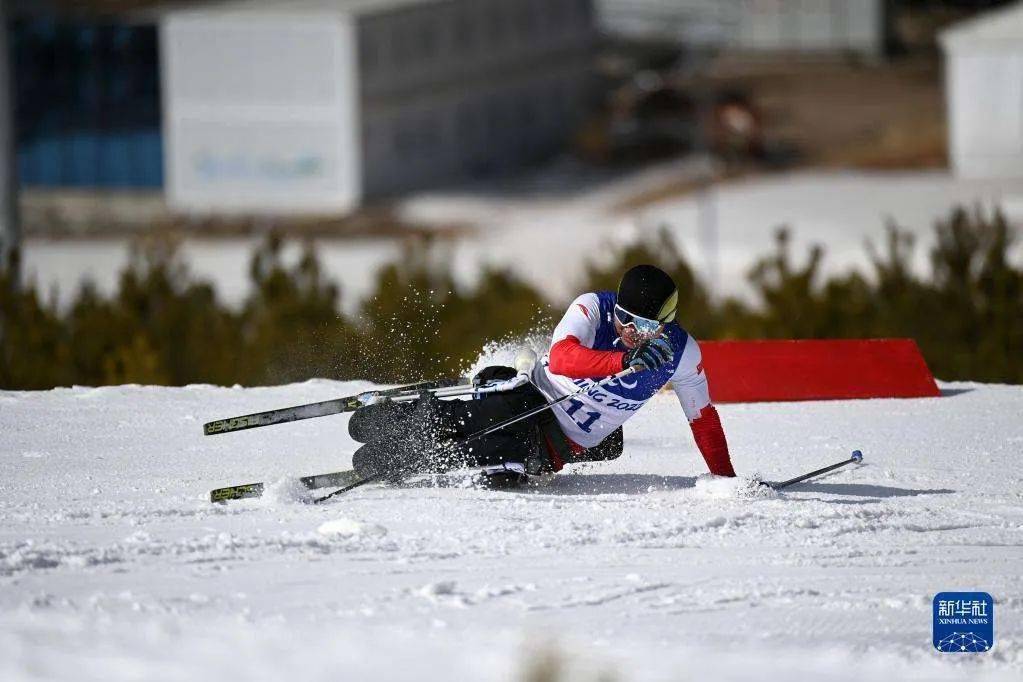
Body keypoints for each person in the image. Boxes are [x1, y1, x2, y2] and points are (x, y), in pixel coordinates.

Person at [349, 264, 736, 486]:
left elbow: (703, 420)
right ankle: (401, 421)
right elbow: (563, 358)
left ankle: (403, 459)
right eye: (624, 318)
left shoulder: (682, 353)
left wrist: (726, 481)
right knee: (497, 416)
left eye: (643, 326)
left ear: (664, 324)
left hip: (557, 445)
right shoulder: (592, 308)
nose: (629, 332)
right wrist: (622, 362)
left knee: (496, 461)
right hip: (533, 395)